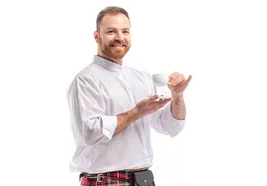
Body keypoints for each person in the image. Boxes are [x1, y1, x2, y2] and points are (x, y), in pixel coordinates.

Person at [66, 6, 192, 186]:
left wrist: (177, 97)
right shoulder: (86, 80)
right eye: (111, 31)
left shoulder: (141, 78)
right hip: (106, 181)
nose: (120, 37)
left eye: (125, 31)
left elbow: (170, 127)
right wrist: (135, 113)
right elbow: (89, 133)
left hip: (144, 180)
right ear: (97, 36)